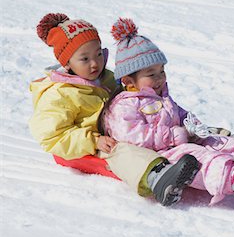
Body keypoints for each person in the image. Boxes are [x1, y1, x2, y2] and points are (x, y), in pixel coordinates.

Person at [98, 18, 234, 208]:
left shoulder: (161, 95)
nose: (160, 78)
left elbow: (180, 114)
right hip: (164, 153)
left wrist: (193, 126)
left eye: (162, 71)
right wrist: (172, 136)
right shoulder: (123, 106)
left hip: (183, 140)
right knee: (205, 159)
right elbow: (131, 137)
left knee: (223, 142)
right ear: (128, 81)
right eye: (151, 74)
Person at [29, 13, 200, 206]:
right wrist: (92, 140)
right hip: (81, 149)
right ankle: (156, 177)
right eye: (85, 59)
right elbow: (52, 136)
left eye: (99, 54)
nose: (95, 63)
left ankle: (209, 142)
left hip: (115, 131)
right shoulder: (58, 94)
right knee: (121, 151)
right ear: (66, 63)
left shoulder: (106, 78)